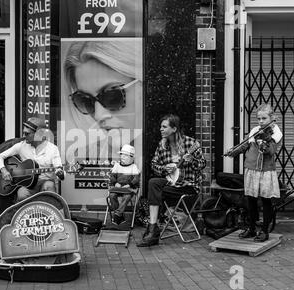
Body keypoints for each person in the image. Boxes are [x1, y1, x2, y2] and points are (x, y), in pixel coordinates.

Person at [63, 40, 143, 161]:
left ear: (144, 86)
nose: (98, 115)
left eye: (112, 96)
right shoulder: (85, 157)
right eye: (85, 101)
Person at [137, 114, 206, 247]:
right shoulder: (162, 145)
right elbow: (154, 164)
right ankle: (153, 227)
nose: (160, 129)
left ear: (174, 129)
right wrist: (164, 169)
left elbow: (202, 164)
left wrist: (192, 161)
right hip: (171, 184)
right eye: (160, 127)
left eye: (164, 126)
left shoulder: (190, 143)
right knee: (153, 182)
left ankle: (153, 231)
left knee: (156, 193)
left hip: (188, 186)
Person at [225, 104, 283, 242]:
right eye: (259, 118)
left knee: (266, 201)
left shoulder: (276, 133)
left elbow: (270, 151)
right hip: (251, 169)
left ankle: (264, 231)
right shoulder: (255, 130)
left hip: (265, 171)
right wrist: (233, 151)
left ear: (272, 118)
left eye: (264, 118)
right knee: (250, 200)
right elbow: (245, 145)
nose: (261, 121)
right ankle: (251, 229)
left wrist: (265, 142)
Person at [0, 117, 65, 201]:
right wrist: (3, 170)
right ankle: (25, 214)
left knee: (49, 186)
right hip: (28, 185)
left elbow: (59, 170)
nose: (24, 136)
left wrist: (60, 174)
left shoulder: (52, 149)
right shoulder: (21, 146)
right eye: (24, 133)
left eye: (27, 134)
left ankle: (46, 213)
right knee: (22, 194)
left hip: (45, 182)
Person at [107, 144, 140, 225]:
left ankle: (117, 214)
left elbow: (136, 179)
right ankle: (119, 215)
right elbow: (112, 176)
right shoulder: (117, 165)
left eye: (125, 155)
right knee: (112, 195)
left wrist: (129, 184)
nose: (122, 157)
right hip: (117, 188)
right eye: (121, 155)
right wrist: (115, 182)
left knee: (127, 197)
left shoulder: (134, 167)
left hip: (129, 189)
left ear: (131, 157)